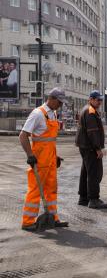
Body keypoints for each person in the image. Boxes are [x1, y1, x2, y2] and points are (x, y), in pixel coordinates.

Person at [19, 88, 69, 231]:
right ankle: (28, 221)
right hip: (39, 160)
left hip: (50, 159)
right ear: (51, 98)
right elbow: (23, 136)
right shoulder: (37, 114)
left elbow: (49, 140)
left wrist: (55, 156)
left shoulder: (52, 113)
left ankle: (53, 218)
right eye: (59, 102)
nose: (60, 105)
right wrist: (30, 155)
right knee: (35, 189)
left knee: (51, 189)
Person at [75, 90, 107, 209]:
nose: (99, 102)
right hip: (90, 148)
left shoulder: (88, 109)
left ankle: (83, 198)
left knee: (86, 172)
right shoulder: (90, 112)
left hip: (85, 146)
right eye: (97, 99)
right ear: (90, 99)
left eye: (100, 100)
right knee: (94, 173)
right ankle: (94, 199)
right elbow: (92, 132)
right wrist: (98, 148)